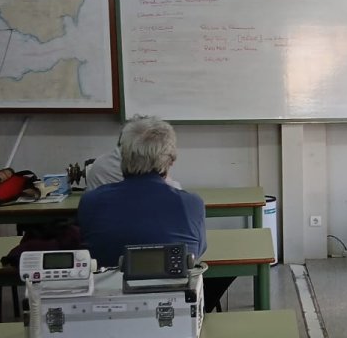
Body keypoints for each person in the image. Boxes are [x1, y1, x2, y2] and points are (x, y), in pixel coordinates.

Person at [78, 117, 232, 311]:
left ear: (123, 157)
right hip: (175, 313)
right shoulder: (191, 203)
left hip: (108, 311)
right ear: (170, 161)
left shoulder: (90, 202)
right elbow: (197, 252)